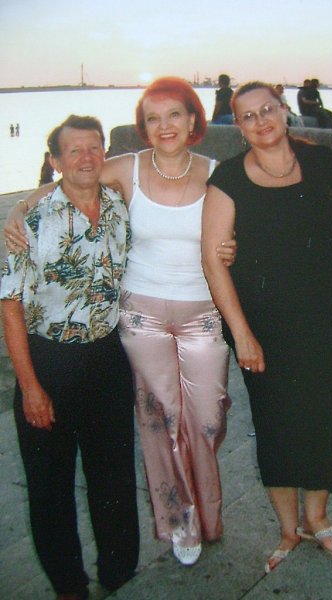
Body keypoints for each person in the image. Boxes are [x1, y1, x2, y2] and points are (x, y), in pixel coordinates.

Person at [5, 77, 236, 567]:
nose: (164, 126)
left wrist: (231, 248)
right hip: (113, 326)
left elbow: (233, 226)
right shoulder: (118, 174)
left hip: (170, 323)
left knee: (203, 421)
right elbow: (67, 181)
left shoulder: (204, 177)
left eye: (174, 115)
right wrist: (19, 208)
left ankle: (176, 530)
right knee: (152, 424)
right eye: (153, 118)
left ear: (193, 120)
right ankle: (175, 525)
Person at [202, 81, 332, 574]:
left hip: (327, 316)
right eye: (248, 116)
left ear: (284, 111)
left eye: (267, 109)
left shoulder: (322, 162)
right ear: (238, 126)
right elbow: (213, 261)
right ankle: (289, 530)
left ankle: (318, 517)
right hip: (262, 324)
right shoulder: (228, 178)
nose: (261, 121)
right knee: (276, 423)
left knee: (331, 412)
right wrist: (242, 333)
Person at [0, 115, 140, 600]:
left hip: (108, 357)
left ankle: (119, 570)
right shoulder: (31, 222)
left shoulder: (120, 205)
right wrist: (30, 387)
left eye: (94, 148)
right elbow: (10, 306)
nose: (86, 158)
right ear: (56, 161)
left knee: (114, 473)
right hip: (49, 362)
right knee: (50, 484)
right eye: (74, 150)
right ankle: (68, 584)